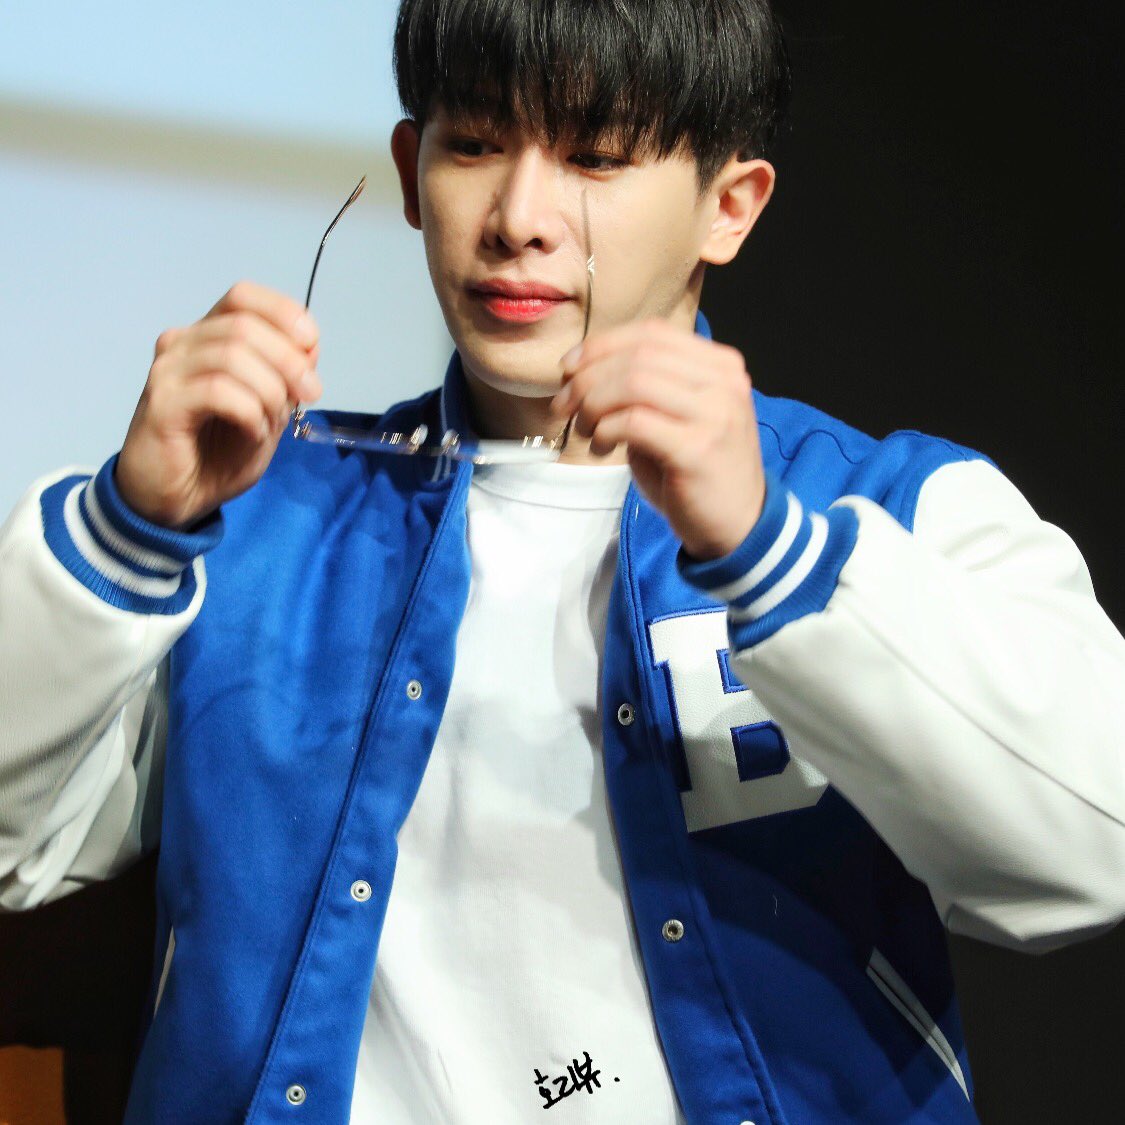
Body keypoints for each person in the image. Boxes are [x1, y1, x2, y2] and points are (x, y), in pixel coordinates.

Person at [2, 0, 1124, 1121]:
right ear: (412, 172)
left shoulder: (890, 508)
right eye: (475, 145)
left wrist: (772, 554)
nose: (518, 219)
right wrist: (125, 527)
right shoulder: (255, 513)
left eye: (595, 156)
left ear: (728, 207)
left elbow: (1093, 853)